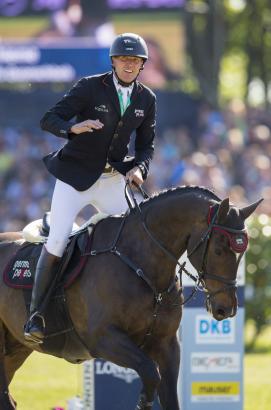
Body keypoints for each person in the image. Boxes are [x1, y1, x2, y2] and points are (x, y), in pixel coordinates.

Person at [24, 33, 156, 343]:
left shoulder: (147, 99)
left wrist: (140, 168)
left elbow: (147, 147)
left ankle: (138, 311)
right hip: (75, 179)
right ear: (113, 62)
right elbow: (49, 118)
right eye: (124, 60)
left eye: (135, 61)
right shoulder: (89, 86)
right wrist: (72, 128)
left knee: (136, 241)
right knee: (57, 241)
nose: (129, 64)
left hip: (112, 181)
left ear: (141, 66)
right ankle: (36, 315)